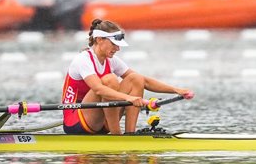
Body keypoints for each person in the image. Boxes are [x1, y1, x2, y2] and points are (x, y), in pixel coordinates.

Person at [62, 19, 194, 135]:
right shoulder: (83, 59)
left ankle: (129, 134)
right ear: (99, 39)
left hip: (100, 119)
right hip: (76, 120)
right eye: (114, 44)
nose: (117, 49)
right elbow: (98, 89)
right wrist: (129, 98)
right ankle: (116, 135)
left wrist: (177, 90)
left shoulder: (111, 60)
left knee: (136, 78)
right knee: (110, 80)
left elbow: (145, 81)